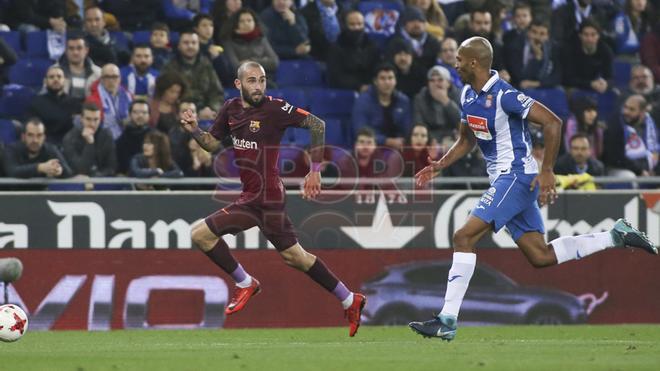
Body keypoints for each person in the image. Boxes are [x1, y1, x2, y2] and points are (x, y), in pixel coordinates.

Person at [408, 37, 658, 342]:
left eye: (459, 59)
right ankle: (616, 235)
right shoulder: (466, 95)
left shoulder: (505, 96)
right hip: (504, 179)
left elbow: (552, 122)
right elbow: (466, 139)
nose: (455, 63)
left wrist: (548, 170)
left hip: (516, 175)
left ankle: (446, 319)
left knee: (464, 236)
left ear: (474, 62)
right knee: (540, 256)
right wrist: (440, 165)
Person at [179, 61, 367, 336]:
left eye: (262, 80)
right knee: (296, 257)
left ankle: (245, 283)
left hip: (263, 197)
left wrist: (315, 171)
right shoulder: (231, 108)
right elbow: (211, 143)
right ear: (238, 84)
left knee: (200, 235)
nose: (258, 86)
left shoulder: (275, 108)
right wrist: (195, 129)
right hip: (258, 196)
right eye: (252, 81)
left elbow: (317, 124)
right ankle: (350, 299)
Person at [161, 31, 224, 120]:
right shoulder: (169, 66)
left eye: (193, 43)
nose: (190, 46)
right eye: (186, 43)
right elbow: (165, 95)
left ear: (198, 45)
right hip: (177, 112)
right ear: (179, 45)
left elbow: (217, 92)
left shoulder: (206, 65)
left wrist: (212, 109)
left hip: (204, 111)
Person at [352, 64, 412, 151]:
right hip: (371, 147)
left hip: (399, 148)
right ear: (375, 81)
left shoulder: (403, 101)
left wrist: (403, 142)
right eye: (383, 78)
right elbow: (359, 130)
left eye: (390, 78)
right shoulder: (363, 101)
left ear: (395, 81)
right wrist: (387, 141)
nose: (387, 82)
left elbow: (408, 130)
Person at [326, 10, 380, 92]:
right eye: (352, 24)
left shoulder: (372, 45)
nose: (356, 28)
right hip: (346, 91)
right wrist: (359, 86)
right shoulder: (336, 47)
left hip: (371, 90)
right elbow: (336, 75)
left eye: (359, 24)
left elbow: (377, 68)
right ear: (345, 26)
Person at [27, 65, 81, 145]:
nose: (56, 79)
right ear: (45, 81)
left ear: (65, 81)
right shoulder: (37, 102)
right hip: (46, 144)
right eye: (51, 77)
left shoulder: (75, 103)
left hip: (71, 144)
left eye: (59, 77)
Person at [4, 118, 72, 179]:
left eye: (39, 135)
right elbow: (12, 171)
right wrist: (40, 167)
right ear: (23, 137)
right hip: (13, 192)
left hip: (41, 192)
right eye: (30, 135)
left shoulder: (50, 149)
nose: (35, 140)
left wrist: (58, 171)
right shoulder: (11, 149)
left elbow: (68, 172)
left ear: (44, 137)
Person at [62, 103, 117, 177]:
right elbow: (80, 170)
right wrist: (89, 143)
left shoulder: (106, 135)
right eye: (88, 119)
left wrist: (94, 179)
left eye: (96, 119)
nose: (92, 124)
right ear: (81, 119)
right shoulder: (70, 138)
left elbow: (112, 168)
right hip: (78, 181)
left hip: (101, 180)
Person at [87, 63, 133, 139]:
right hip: (103, 140)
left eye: (114, 77)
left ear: (120, 78)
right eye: (107, 77)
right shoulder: (92, 100)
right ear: (101, 79)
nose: (111, 80)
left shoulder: (128, 96)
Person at [58, 33, 102, 101]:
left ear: (86, 50)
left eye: (79, 48)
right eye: (71, 48)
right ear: (66, 51)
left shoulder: (98, 73)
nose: (75, 52)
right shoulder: (55, 71)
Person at [116, 99, 152, 174]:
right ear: (130, 115)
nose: (140, 115)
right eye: (136, 112)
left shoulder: (157, 138)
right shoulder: (121, 140)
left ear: (149, 115)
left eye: (144, 112)